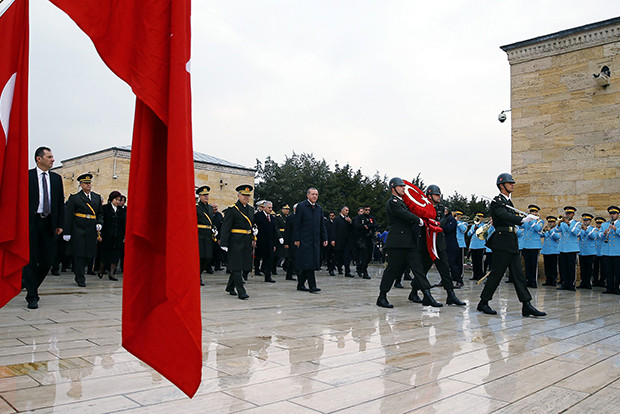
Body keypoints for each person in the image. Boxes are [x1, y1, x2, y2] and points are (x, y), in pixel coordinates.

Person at [477, 173, 546, 317]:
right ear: (502, 186)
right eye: (510, 183)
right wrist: (522, 220)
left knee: (518, 275)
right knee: (496, 274)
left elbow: (509, 216)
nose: (512, 185)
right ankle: (483, 302)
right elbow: (503, 215)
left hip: (511, 240)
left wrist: (522, 219)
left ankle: (526, 304)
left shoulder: (508, 202)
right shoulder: (497, 201)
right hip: (502, 241)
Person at [376, 177, 441, 309]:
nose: (403, 189)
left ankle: (427, 295)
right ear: (393, 188)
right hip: (397, 242)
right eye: (400, 187)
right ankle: (382, 296)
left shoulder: (404, 202)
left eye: (404, 187)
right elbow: (404, 214)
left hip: (409, 242)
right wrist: (419, 220)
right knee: (392, 270)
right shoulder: (393, 202)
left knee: (418, 269)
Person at [23, 147, 65, 309]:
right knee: (31, 260)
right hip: (31, 223)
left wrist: (61, 224)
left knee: (48, 260)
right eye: (49, 157)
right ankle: (32, 295)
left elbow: (59, 204)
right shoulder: (27, 176)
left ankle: (28, 283)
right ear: (39, 159)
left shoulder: (56, 179)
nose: (53, 160)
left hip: (49, 223)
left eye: (53, 156)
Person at [409, 185, 465, 306]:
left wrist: (438, 223)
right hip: (426, 243)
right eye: (436, 195)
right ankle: (414, 291)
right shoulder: (423, 207)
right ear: (429, 196)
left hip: (439, 243)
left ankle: (451, 295)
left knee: (445, 269)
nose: (439, 197)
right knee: (423, 270)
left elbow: (445, 218)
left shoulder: (440, 208)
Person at [63, 173, 103, 287]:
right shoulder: (75, 198)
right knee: (79, 254)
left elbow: (100, 213)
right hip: (78, 229)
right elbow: (69, 216)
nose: (88, 185)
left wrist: (100, 222)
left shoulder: (96, 197)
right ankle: (80, 277)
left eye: (89, 183)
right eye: (86, 183)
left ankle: (82, 272)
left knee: (89, 254)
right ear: (81, 185)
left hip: (91, 229)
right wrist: (67, 232)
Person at [220, 185, 255, 299]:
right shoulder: (233, 210)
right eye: (244, 195)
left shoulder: (250, 209)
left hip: (246, 240)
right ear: (238, 195)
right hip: (235, 241)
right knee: (236, 266)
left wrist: (254, 235)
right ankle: (241, 291)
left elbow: (251, 224)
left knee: (242, 265)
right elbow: (225, 228)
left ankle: (230, 287)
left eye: (248, 195)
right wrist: (224, 243)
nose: (246, 197)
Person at [293, 188, 328, 293]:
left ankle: (300, 284)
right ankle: (312, 286)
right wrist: (296, 238)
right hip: (304, 239)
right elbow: (297, 224)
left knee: (310, 262)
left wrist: (324, 237)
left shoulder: (319, 209)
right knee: (309, 262)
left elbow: (322, 225)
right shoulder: (302, 206)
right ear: (308, 195)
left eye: (316, 194)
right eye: (313, 194)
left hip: (315, 240)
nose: (315, 196)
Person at [97, 191, 125, 281]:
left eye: (119, 200)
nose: (118, 202)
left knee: (115, 255)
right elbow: (102, 220)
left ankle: (112, 273)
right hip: (107, 235)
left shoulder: (121, 210)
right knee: (105, 253)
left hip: (117, 235)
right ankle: (101, 269)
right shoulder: (105, 208)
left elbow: (123, 223)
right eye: (116, 200)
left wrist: (124, 235)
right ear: (111, 199)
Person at [254, 200, 278, 283]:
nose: (270, 209)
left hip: (269, 242)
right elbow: (254, 228)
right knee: (257, 257)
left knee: (269, 259)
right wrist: (254, 240)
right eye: (269, 207)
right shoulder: (258, 216)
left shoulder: (272, 218)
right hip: (260, 241)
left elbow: (274, 231)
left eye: (271, 208)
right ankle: (254, 270)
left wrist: (274, 244)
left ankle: (268, 276)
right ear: (264, 207)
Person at [557, 206, 581, 291]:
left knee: (571, 267)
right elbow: (556, 230)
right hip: (563, 247)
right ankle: (564, 283)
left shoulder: (577, 223)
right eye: (566, 213)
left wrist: (568, 224)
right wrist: (559, 223)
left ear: (573, 214)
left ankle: (571, 284)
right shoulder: (562, 223)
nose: (568, 215)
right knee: (563, 267)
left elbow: (576, 233)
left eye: (569, 213)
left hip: (572, 248)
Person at [521, 204, 544, 288]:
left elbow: (538, 228)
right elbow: (520, 225)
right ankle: (528, 280)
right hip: (526, 244)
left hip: (534, 245)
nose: (533, 213)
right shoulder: (527, 221)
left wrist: (531, 220)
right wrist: (523, 218)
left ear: (537, 213)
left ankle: (533, 281)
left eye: (534, 212)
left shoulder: (540, 221)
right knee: (527, 264)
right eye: (531, 212)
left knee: (534, 264)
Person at [196, 185, 215, 286]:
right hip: (199, 234)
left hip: (208, 235)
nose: (206, 197)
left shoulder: (210, 208)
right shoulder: (196, 207)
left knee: (207, 257)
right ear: (199, 196)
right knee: (200, 256)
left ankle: (199, 273)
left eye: (207, 195)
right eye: (204, 195)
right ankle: (197, 276)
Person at [599, 206, 620, 294]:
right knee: (608, 271)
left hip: (617, 252)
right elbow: (599, 236)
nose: (612, 215)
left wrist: (616, 229)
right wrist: (604, 233)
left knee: (618, 272)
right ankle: (609, 287)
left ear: (618, 215)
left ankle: (617, 288)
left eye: (614, 214)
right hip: (606, 251)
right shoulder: (604, 224)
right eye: (610, 214)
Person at [353, 206, 377, 279]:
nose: (368, 211)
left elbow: (375, 225)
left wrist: (369, 226)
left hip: (369, 238)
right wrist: (364, 226)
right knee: (364, 255)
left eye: (369, 210)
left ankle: (360, 267)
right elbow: (356, 225)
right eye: (366, 210)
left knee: (369, 256)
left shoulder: (371, 218)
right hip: (362, 239)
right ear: (363, 210)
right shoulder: (359, 217)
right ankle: (364, 271)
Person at [577, 213, 597, 289]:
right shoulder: (580, 229)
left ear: (590, 221)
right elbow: (577, 235)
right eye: (584, 220)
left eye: (587, 220)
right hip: (582, 251)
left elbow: (593, 237)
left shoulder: (593, 229)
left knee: (589, 269)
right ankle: (583, 282)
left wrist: (586, 230)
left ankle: (588, 282)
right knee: (583, 268)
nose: (585, 222)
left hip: (590, 251)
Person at [332, 206, 354, 277]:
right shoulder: (337, 219)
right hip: (339, 241)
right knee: (338, 256)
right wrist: (333, 239)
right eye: (346, 210)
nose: (347, 212)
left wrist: (350, 222)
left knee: (347, 256)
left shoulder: (348, 219)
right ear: (342, 211)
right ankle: (334, 268)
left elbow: (351, 229)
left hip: (347, 241)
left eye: (348, 210)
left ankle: (347, 271)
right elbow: (334, 230)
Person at [541, 216, 561, 286]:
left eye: (552, 222)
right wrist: (543, 230)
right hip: (546, 250)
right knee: (547, 266)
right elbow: (541, 235)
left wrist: (550, 231)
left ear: (555, 223)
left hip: (554, 250)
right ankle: (548, 280)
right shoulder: (547, 229)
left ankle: (553, 280)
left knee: (553, 266)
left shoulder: (557, 229)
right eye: (549, 222)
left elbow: (557, 237)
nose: (550, 223)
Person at [468, 212, 486, 280]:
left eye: (480, 217)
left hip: (480, 245)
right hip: (473, 245)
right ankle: (475, 275)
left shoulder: (484, 225)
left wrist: (479, 227)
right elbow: (468, 234)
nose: (478, 218)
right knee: (474, 262)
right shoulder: (473, 226)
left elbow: (484, 234)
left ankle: (480, 275)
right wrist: (474, 229)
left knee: (479, 261)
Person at [453, 209, 468, 287]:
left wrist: (457, 222)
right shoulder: (453, 222)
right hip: (453, 243)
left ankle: (460, 276)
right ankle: (453, 276)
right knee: (453, 262)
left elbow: (463, 230)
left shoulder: (464, 223)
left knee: (460, 262)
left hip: (460, 244)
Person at [283, 204, 297, 281]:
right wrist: (286, 242)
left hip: (299, 240)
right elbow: (287, 231)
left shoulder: (300, 217)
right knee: (291, 258)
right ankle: (289, 274)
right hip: (291, 240)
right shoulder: (290, 218)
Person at [592, 217, 606, 287]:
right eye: (597, 223)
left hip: (602, 251)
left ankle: (602, 280)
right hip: (595, 251)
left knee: (603, 268)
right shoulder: (594, 230)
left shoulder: (604, 231)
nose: (598, 224)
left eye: (600, 223)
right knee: (595, 267)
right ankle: (595, 280)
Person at [211, 204, 224, 271]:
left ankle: (217, 266)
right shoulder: (209, 214)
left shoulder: (219, 215)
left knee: (218, 252)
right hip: (210, 236)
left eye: (216, 207)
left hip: (217, 236)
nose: (216, 208)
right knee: (210, 252)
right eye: (214, 207)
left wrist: (220, 238)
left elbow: (221, 226)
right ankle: (208, 268)